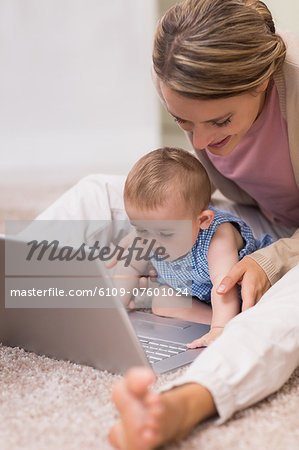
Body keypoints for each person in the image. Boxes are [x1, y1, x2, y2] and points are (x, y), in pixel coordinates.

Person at [35, 0, 299, 448]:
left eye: (219, 121)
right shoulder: (192, 98)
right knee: (100, 190)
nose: (200, 143)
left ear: (263, 82)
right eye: (183, 122)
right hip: (253, 217)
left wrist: (272, 260)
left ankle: (187, 401)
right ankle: (12, 287)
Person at [116, 146, 272, 347]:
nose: (150, 242)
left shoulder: (218, 238)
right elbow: (130, 267)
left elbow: (223, 287)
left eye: (165, 233)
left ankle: (225, 323)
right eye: (141, 229)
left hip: (243, 289)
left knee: (269, 306)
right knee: (162, 301)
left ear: (203, 220)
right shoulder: (148, 237)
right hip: (203, 299)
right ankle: (223, 320)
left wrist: (219, 330)